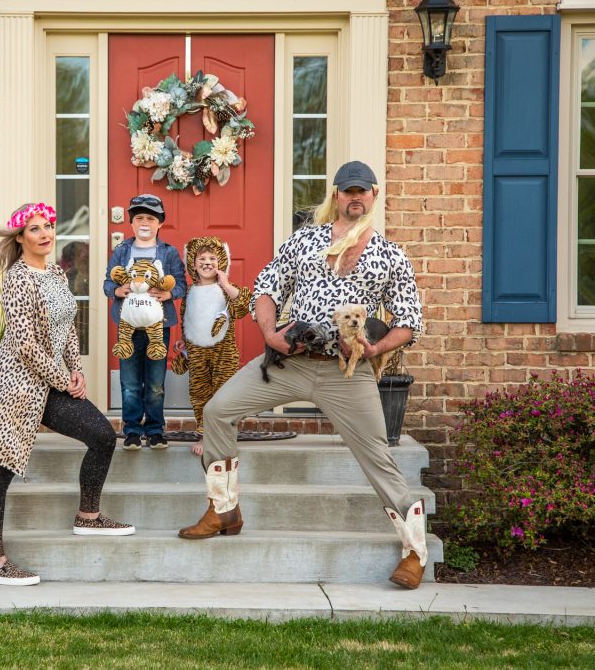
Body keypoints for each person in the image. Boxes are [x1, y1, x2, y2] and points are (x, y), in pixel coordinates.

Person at [177, 161, 429, 590]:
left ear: (373, 196)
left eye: (362, 191)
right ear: (336, 195)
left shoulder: (390, 255)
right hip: (289, 361)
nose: (355, 197)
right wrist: (270, 335)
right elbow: (266, 288)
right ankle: (224, 509)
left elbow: (410, 322)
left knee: (378, 460)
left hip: (346, 374)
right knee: (218, 410)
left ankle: (413, 551)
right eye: (347, 191)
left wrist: (374, 348)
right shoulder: (306, 240)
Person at [0, 202, 134, 587]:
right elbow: (25, 344)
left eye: (47, 227)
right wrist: (62, 378)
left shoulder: (57, 272)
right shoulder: (18, 279)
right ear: (20, 238)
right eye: (34, 229)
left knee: (102, 436)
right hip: (17, 386)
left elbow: (68, 327)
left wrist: (75, 370)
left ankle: (88, 517)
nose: (44, 234)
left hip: (55, 380)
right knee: (1, 469)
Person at [103, 194, 187, 451]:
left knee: (155, 382)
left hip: (157, 327)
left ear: (159, 223)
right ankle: (131, 430)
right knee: (129, 382)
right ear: (131, 223)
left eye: (151, 218)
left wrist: (169, 293)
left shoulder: (168, 252)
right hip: (128, 326)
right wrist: (117, 291)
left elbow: (181, 283)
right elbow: (108, 282)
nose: (144, 222)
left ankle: (154, 429)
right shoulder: (122, 251)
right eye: (139, 217)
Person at [170, 236, 252, 454]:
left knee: (223, 394)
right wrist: (184, 340)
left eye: (213, 258)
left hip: (223, 351)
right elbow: (189, 317)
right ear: (193, 263)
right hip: (196, 351)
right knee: (200, 393)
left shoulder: (225, 288)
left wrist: (225, 283)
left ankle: (224, 435)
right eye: (201, 258)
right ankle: (205, 435)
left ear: (221, 261)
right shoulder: (189, 291)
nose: (207, 262)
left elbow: (244, 305)